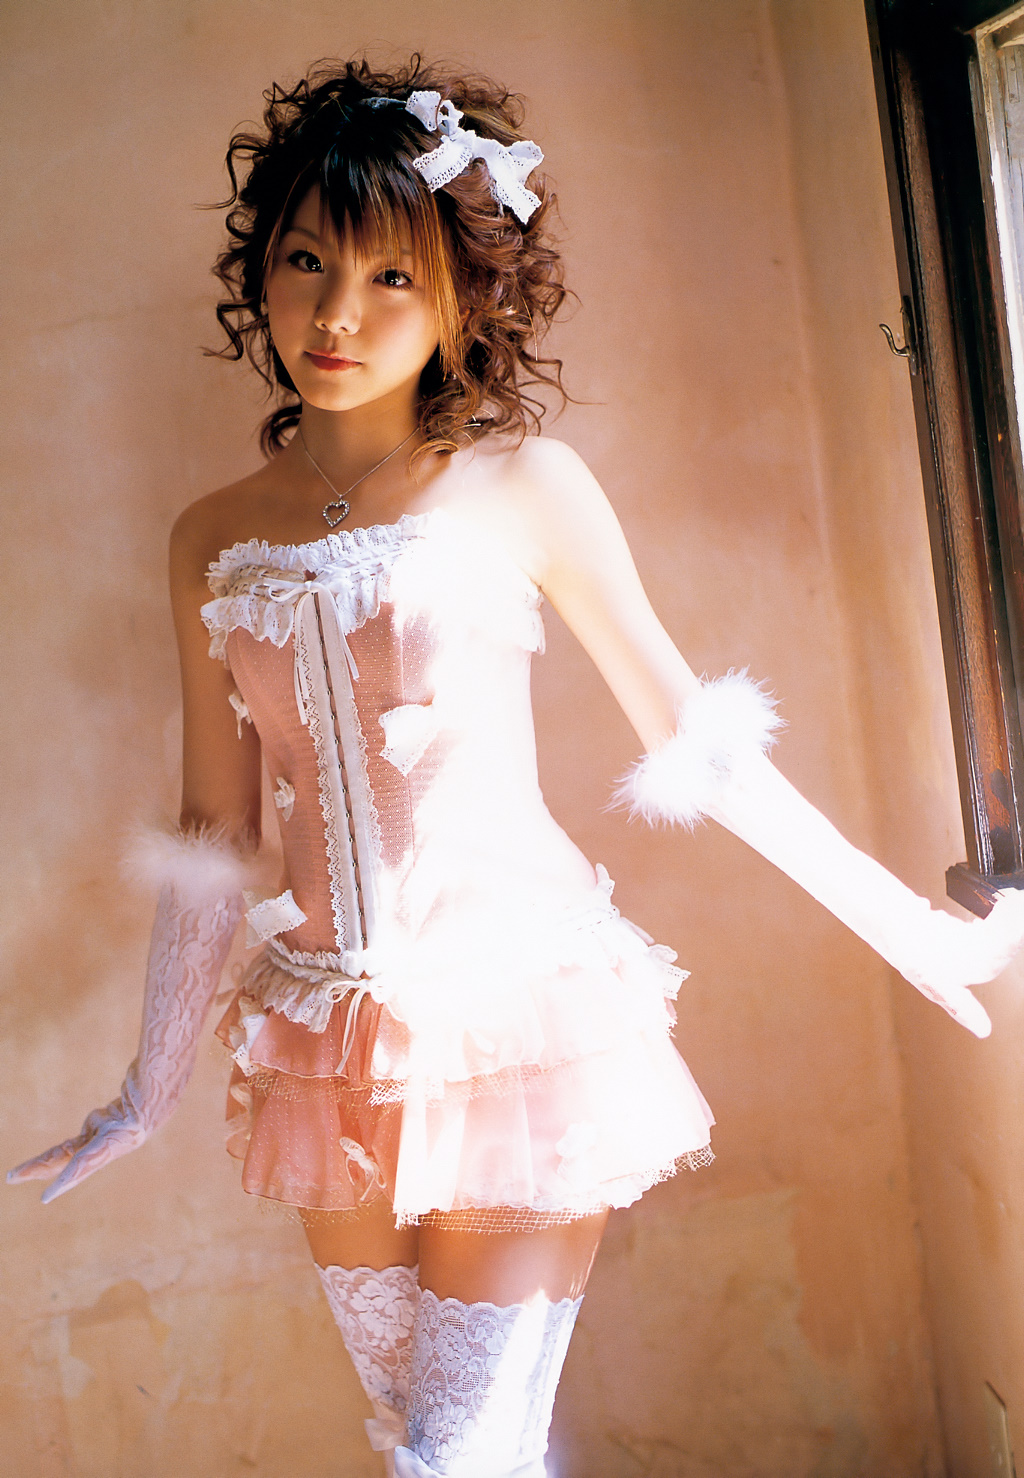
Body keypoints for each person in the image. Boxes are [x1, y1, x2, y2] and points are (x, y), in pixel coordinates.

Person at [9, 55, 1024, 1478]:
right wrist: (147, 1085)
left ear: (462, 299)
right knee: (419, 1440)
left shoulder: (528, 486)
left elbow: (696, 742)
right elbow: (216, 827)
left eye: (390, 279)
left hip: (517, 1019)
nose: (336, 314)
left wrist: (911, 929)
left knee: (453, 1452)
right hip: (326, 1044)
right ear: (261, 269)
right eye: (306, 261)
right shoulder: (212, 534)